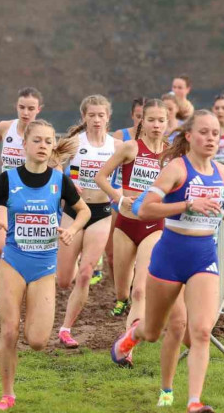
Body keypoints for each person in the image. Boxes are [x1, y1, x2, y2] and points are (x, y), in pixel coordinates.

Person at [110, 110, 224, 413]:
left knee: (201, 331)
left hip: (203, 256)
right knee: (154, 332)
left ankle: (194, 401)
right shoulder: (176, 169)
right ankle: (131, 336)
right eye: (204, 132)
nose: (210, 138)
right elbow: (145, 210)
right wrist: (187, 203)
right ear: (190, 137)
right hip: (169, 256)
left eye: (215, 134)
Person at [0, 119, 90, 411]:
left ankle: (29, 308)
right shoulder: (8, 179)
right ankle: (7, 395)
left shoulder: (59, 181)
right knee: (9, 331)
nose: (43, 146)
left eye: (48, 141)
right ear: (24, 144)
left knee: (38, 341)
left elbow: (84, 211)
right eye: (37, 140)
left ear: (53, 145)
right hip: (13, 262)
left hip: (43, 268)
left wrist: (72, 230)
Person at [55, 95, 121, 349]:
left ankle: (66, 328)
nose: (96, 119)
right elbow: (53, 161)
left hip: (102, 212)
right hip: (73, 212)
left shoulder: (116, 145)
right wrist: (69, 183)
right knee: (63, 280)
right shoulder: (73, 142)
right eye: (91, 115)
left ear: (108, 118)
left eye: (101, 115)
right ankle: (66, 266)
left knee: (85, 274)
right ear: (84, 117)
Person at [94, 99, 168, 320]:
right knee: (122, 289)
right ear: (142, 122)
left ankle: (133, 332)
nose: (156, 125)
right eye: (151, 120)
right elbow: (101, 177)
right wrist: (119, 196)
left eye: (161, 120)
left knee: (139, 288)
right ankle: (121, 300)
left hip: (154, 226)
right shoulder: (130, 148)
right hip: (125, 224)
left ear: (167, 123)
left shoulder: (172, 154)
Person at [0, 87, 45, 302]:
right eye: (22, 107)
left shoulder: (41, 133)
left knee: (26, 251)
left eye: (31, 108)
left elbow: (55, 163)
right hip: (5, 195)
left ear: (38, 110)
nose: (25, 112)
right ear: (16, 106)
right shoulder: (5, 127)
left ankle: (25, 289)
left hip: (32, 199)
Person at [99, 97, 148, 286]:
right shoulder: (122, 137)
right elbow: (105, 165)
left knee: (142, 259)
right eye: (138, 116)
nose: (142, 122)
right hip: (118, 201)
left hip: (145, 205)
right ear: (132, 116)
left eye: (147, 117)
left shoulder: (160, 143)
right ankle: (120, 294)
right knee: (112, 255)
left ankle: (137, 292)